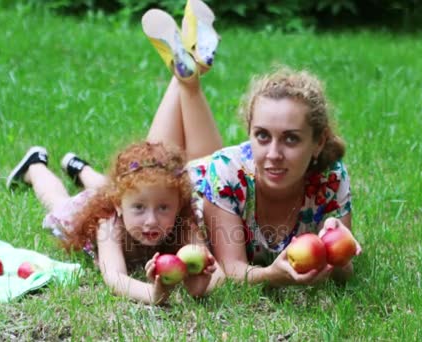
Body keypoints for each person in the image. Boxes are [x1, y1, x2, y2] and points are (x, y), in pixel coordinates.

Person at [140, 3, 356, 288]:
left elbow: (345, 272)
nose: (274, 155)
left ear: (319, 143)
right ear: (249, 133)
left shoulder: (331, 179)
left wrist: (340, 255)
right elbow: (232, 269)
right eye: (262, 136)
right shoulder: (228, 173)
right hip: (186, 186)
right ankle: (187, 71)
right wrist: (272, 276)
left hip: (218, 177)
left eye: (291, 138)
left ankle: (189, 68)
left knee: (202, 139)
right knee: (143, 174)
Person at [6, 143, 220, 305]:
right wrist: (154, 293)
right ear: (118, 205)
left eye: (163, 207)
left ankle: (79, 168)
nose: (151, 220)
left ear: (179, 204)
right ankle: (34, 167)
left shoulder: (183, 223)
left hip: (121, 195)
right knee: (58, 201)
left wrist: (200, 286)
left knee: (118, 187)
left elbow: (218, 274)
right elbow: (115, 277)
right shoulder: (109, 224)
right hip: (91, 210)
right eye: (139, 209)